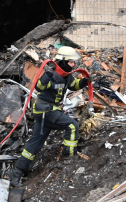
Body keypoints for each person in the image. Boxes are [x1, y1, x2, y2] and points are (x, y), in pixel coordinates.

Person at [7, 46, 90, 187]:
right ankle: (70, 159)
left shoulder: (66, 75)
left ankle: (16, 172)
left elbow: (73, 85)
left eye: (73, 62)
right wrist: (47, 75)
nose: (73, 65)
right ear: (62, 61)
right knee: (72, 126)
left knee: (36, 143)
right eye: (70, 62)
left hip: (47, 111)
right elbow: (39, 87)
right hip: (46, 110)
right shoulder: (51, 73)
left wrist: (85, 81)